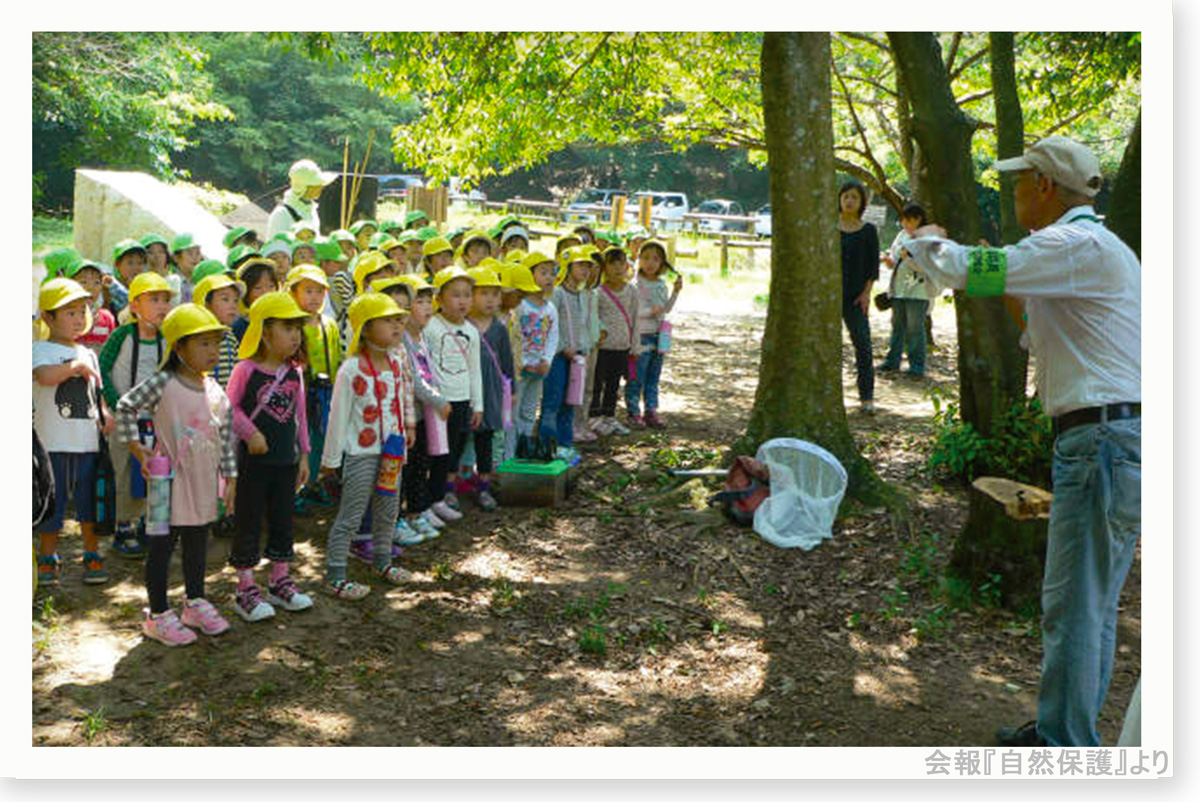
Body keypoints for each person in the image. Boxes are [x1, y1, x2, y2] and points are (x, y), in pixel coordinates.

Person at [902, 135, 1140, 748]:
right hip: (1112, 439)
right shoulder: (1091, 250)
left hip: (1102, 440)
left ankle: (1064, 749)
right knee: (1089, 603)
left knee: (1075, 605)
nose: (1011, 192)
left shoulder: (1069, 245)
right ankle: (1066, 733)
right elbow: (1034, 323)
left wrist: (924, 240)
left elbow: (962, 269)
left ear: (1043, 186)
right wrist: (1002, 277)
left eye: (1018, 181)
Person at [116, 303, 237, 647]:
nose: (213, 351)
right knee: (161, 547)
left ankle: (195, 602)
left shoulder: (215, 389)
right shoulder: (164, 382)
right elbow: (126, 405)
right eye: (203, 343)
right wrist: (137, 447)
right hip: (164, 482)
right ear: (179, 347)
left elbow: (226, 436)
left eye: (216, 343)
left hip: (202, 482)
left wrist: (231, 478)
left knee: (198, 543)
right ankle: (157, 615)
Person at [320, 293, 417, 599]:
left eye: (398, 320)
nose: (396, 326)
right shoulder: (351, 369)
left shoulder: (396, 363)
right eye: (387, 321)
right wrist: (331, 460)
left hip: (392, 454)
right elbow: (338, 418)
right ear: (365, 328)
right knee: (351, 515)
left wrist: (403, 439)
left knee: (388, 510)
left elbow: (398, 404)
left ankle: (382, 562)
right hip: (361, 454)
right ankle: (336, 575)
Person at [225, 292, 313, 622]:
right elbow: (229, 408)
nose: (295, 336)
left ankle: (280, 581)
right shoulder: (245, 369)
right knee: (248, 522)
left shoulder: (295, 371)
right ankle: (245, 589)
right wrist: (251, 433)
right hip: (253, 464)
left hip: (286, 462)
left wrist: (304, 456)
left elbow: (300, 416)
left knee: (282, 520)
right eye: (287, 328)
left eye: (297, 328)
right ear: (264, 332)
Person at [33, 278, 113, 586]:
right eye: (70, 312)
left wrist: (105, 413)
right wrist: (75, 367)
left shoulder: (88, 353)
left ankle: (91, 553)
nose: (79, 318)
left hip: (87, 443)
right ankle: (48, 557)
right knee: (52, 504)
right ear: (48, 317)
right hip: (52, 443)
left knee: (89, 502)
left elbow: (97, 392)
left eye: (82, 311)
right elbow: (45, 377)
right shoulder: (39, 349)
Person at [99, 272, 172, 558]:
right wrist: (115, 404)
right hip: (124, 418)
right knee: (124, 471)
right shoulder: (122, 335)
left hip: (157, 419)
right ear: (134, 305)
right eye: (154, 299)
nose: (162, 306)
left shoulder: (168, 339)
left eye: (165, 300)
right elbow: (102, 368)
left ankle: (149, 524)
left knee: (157, 469)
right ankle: (123, 526)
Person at [423, 266, 482, 521]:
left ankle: (438, 499)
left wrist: (477, 404)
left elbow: (475, 370)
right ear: (439, 299)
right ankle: (423, 503)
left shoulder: (471, 331)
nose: (462, 301)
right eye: (455, 295)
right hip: (437, 402)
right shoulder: (431, 327)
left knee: (451, 453)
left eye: (467, 295)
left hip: (461, 400)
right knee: (432, 453)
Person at [397, 274, 453, 540]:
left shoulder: (422, 338)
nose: (427, 307)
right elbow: (415, 380)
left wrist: (438, 394)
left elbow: (432, 371)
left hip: (424, 415)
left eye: (429, 301)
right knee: (405, 469)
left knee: (421, 465)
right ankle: (401, 517)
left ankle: (417, 512)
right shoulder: (403, 340)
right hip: (408, 415)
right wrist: (439, 400)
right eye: (419, 302)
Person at [288, 265, 342, 507]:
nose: (314, 297)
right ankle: (295, 489)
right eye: (308, 291)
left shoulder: (329, 323)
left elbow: (337, 355)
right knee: (301, 439)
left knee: (320, 438)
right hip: (301, 392)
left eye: (319, 292)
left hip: (326, 391)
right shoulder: (293, 325)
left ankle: (312, 484)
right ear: (294, 293)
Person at [541, 246, 597, 460]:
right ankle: (547, 447)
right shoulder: (557, 293)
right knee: (552, 402)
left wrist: (585, 347)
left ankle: (564, 445)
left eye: (588, 266)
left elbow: (583, 325)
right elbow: (549, 324)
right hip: (557, 357)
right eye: (580, 265)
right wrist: (563, 347)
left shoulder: (584, 295)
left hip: (577, 358)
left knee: (571, 402)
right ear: (568, 266)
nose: (585, 269)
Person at [465, 262, 513, 511]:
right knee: (460, 438)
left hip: (491, 392)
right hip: (465, 392)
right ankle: (458, 482)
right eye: (483, 293)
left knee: (485, 439)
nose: (490, 299)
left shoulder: (500, 329)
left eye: (495, 294)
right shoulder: (462, 326)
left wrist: (511, 392)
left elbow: (507, 362)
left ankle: (483, 486)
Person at [507, 253, 559, 459]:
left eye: (552, 273)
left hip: (539, 369)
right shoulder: (520, 306)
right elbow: (514, 337)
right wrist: (522, 363)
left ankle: (525, 450)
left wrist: (547, 361)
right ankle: (509, 454)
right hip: (519, 369)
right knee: (513, 412)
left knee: (529, 411)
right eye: (543, 273)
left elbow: (553, 336)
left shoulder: (550, 309)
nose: (549, 278)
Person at [627, 240, 682, 429]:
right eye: (646, 258)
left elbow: (666, 308)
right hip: (641, 336)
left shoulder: (661, 285)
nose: (650, 263)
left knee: (653, 377)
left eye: (655, 259)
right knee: (636, 377)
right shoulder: (635, 284)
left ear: (662, 263)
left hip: (659, 336)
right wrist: (650, 312)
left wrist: (675, 292)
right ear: (639, 259)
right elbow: (632, 312)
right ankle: (633, 412)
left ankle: (651, 410)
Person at [837, 181, 880, 413]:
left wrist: (866, 294)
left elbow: (873, 267)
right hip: (829, 296)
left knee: (863, 344)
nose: (849, 201)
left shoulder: (868, 230)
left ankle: (867, 397)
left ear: (862, 202)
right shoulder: (829, 227)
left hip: (856, 298)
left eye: (854, 197)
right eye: (845, 196)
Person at [878, 202, 931, 378]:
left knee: (915, 328)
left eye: (909, 220)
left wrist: (907, 259)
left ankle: (917, 367)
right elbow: (895, 259)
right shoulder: (901, 235)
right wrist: (889, 261)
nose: (905, 224)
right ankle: (892, 362)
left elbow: (927, 267)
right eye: (903, 220)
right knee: (897, 326)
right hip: (899, 289)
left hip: (918, 291)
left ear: (919, 219)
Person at [591, 246, 639, 436]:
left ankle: (609, 416)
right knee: (597, 382)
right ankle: (594, 417)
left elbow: (635, 318)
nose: (617, 268)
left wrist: (635, 346)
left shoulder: (632, 291)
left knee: (614, 383)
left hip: (622, 346)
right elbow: (594, 317)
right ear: (605, 267)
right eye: (612, 264)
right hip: (602, 347)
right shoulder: (598, 292)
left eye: (621, 263)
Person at [267, 159, 336, 241]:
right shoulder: (281, 214)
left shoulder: (312, 211)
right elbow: (274, 245)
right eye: (317, 185)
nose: (321, 187)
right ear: (305, 187)